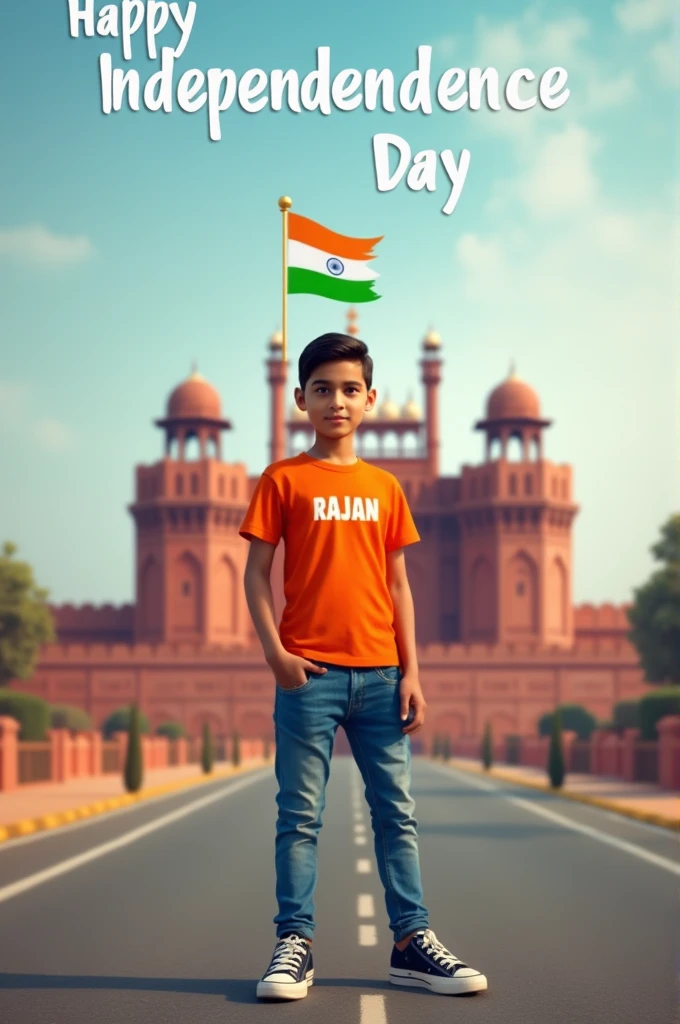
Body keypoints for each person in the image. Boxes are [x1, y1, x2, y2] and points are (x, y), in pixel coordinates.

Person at [239, 332, 488, 1001]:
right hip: (309, 676)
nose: (337, 401)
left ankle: (412, 941)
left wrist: (413, 672)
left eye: (350, 389)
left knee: (396, 816)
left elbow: (399, 585)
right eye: (322, 389)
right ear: (298, 400)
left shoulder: (385, 487)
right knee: (299, 816)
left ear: (371, 399)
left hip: (381, 677)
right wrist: (276, 655)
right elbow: (256, 575)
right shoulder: (282, 479)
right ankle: (294, 943)